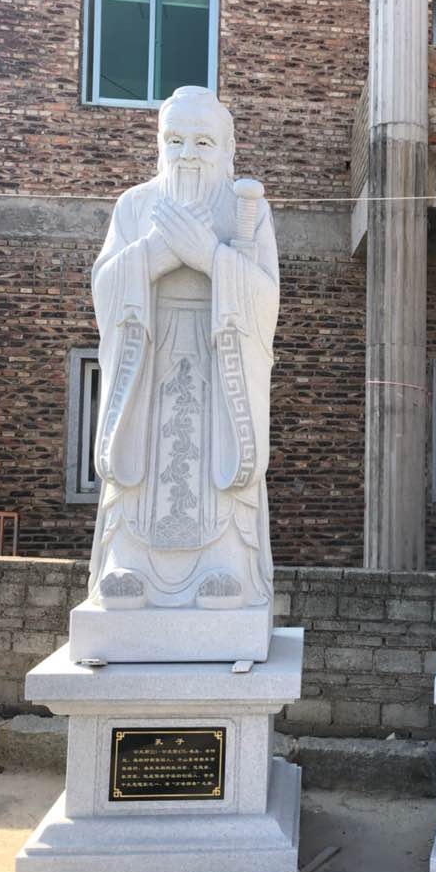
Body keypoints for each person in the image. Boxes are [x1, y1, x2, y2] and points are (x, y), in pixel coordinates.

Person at [88, 86, 279, 609]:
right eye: (175, 141)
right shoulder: (135, 205)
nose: (187, 155)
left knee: (216, 456)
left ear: (228, 148)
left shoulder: (247, 212)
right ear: (159, 145)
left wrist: (210, 257)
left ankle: (224, 560)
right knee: (143, 452)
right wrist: (154, 253)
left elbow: (266, 299)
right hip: (148, 354)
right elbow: (105, 288)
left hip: (220, 355)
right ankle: (129, 561)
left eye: (202, 142)